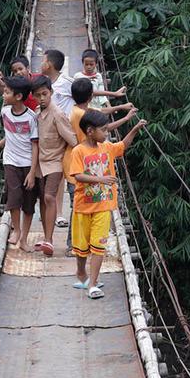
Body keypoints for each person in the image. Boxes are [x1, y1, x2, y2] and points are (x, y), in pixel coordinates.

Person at [68, 110, 148, 298]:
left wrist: (135, 129)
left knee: (98, 246)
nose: (107, 133)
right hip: (83, 206)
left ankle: (93, 284)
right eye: (103, 130)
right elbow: (77, 175)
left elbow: (122, 146)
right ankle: (81, 273)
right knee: (81, 246)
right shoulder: (78, 151)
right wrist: (101, 179)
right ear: (90, 131)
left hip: (103, 206)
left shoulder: (107, 147)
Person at [62, 77, 136, 255]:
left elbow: (102, 116)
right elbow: (106, 127)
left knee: (81, 205)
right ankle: (73, 245)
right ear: (90, 96)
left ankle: (81, 245)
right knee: (77, 207)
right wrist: (126, 118)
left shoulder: (78, 110)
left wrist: (120, 108)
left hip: (83, 163)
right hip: (81, 164)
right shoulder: (83, 117)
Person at [0, 75, 38, 250]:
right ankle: (16, 230)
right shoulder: (5, 112)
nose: (3, 95)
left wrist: (32, 172)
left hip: (27, 163)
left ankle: (24, 238)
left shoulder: (31, 118)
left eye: (7, 92)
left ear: (18, 96)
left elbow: (35, 145)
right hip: (10, 161)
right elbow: (9, 136)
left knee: (29, 202)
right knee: (14, 197)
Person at [30, 75, 77, 257]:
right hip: (41, 164)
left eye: (44, 94)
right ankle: (46, 238)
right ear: (33, 96)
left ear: (51, 92)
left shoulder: (57, 114)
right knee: (42, 199)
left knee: (49, 197)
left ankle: (49, 240)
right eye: (38, 95)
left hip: (56, 163)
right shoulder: (37, 113)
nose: (42, 98)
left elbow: (72, 140)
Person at [39, 48, 76, 115]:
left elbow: (85, 92)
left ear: (48, 65)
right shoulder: (44, 83)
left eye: (42, 61)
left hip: (65, 123)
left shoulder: (67, 82)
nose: (41, 64)